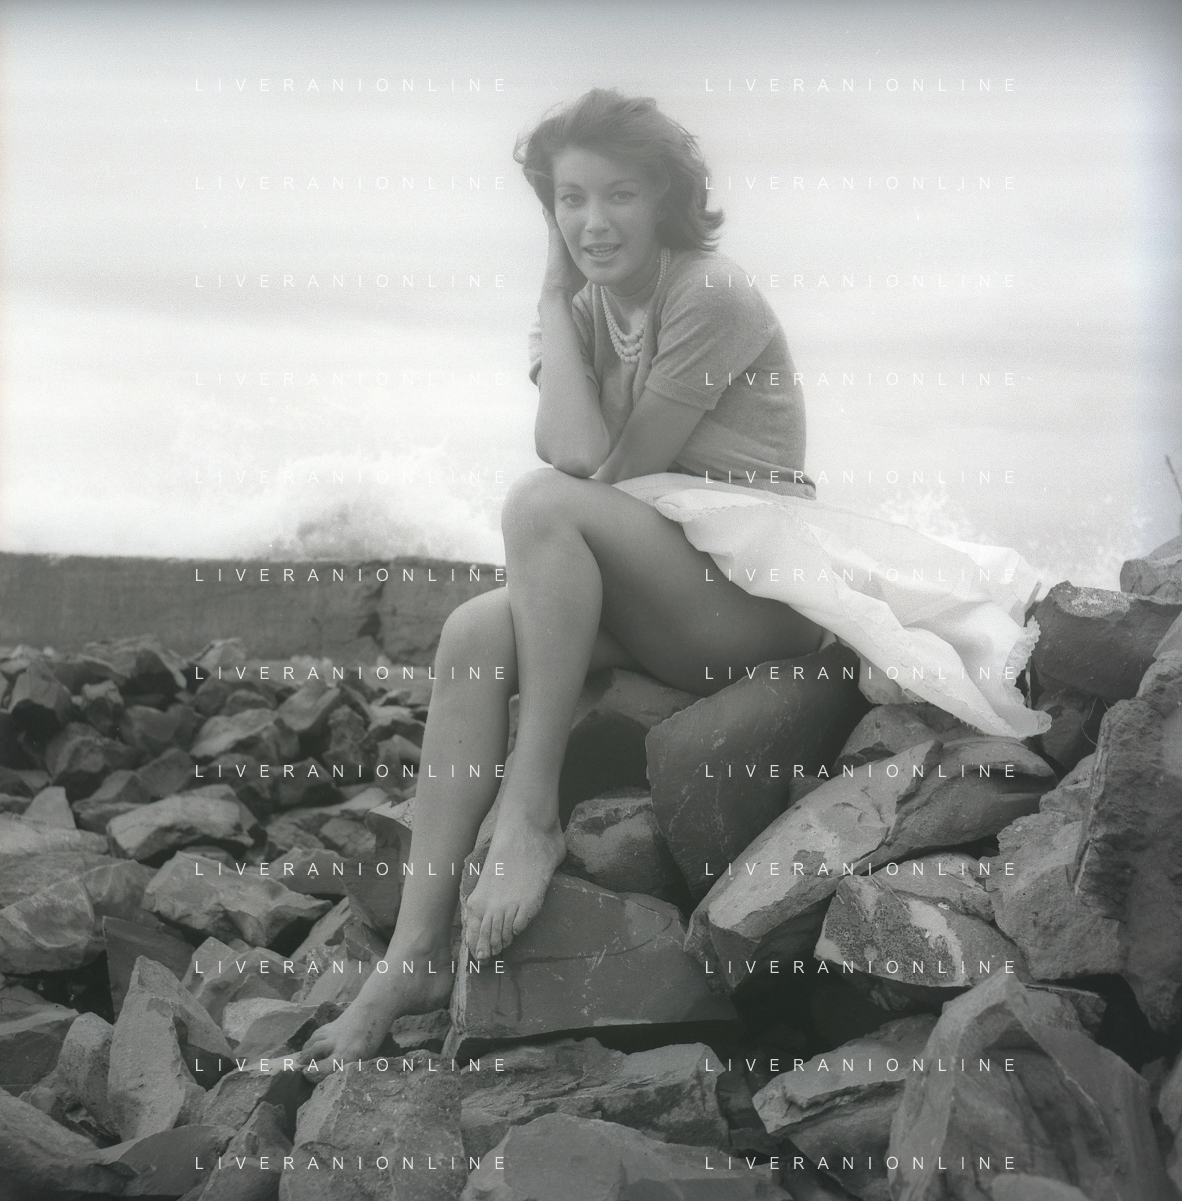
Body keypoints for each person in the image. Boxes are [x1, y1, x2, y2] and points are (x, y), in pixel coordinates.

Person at [301, 88, 1048, 1076]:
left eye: (619, 195)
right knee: (471, 634)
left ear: (666, 199)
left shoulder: (709, 293)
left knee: (538, 507)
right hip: (667, 583)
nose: (593, 222)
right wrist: (551, 294)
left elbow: (605, 476)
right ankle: (413, 955)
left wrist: (563, 348)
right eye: (570, 200)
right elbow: (572, 448)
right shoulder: (576, 307)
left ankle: (529, 809)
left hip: (756, 595)